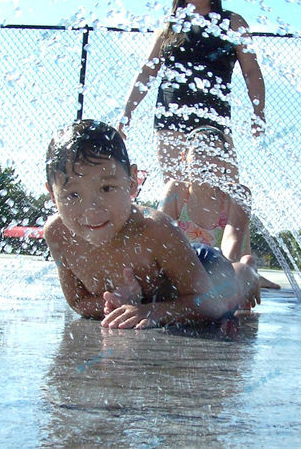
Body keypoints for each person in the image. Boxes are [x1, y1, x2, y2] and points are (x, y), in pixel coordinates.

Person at [43, 119, 262, 329]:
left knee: (230, 288)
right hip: (166, 284)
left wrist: (152, 311)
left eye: (106, 188)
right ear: (53, 195)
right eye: (72, 195)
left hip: (201, 265)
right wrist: (114, 304)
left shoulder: (154, 229)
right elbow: (78, 302)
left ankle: (247, 270)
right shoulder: (58, 233)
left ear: (131, 182)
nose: (91, 209)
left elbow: (211, 305)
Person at [117, 0, 265, 183]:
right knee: (177, 188)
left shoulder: (232, 23)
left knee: (225, 189)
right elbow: (147, 72)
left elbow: (252, 71)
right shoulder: (170, 26)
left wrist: (258, 111)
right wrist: (126, 114)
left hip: (214, 120)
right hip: (170, 120)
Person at [160, 125, 280, 290]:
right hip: (185, 271)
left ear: (224, 161)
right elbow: (160, 238)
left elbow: (232, 242)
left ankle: (251, 275)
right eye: (199, 153)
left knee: (244, 268)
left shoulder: (237, 195)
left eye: (215, 155)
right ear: (184, 157)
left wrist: (218, 279)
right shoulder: (176, 191)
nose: (206, 161)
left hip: (227, 269)